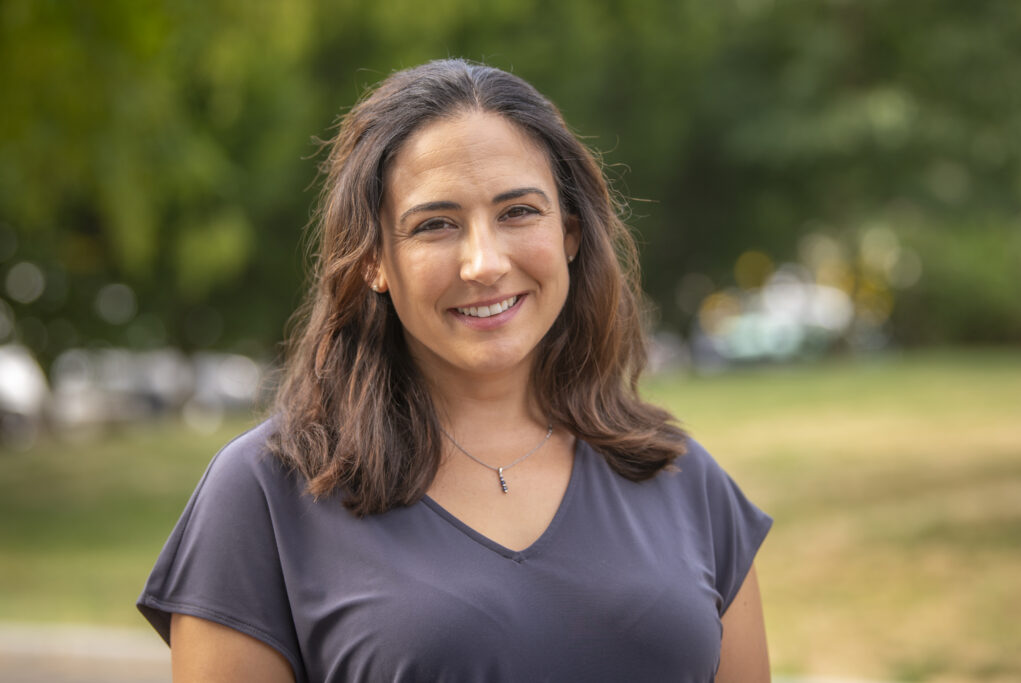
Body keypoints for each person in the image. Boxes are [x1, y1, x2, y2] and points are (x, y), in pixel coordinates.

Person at [138, 59, 772, 682]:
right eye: (435, 225)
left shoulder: (680, 477)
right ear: (373, 261)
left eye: (518, 212)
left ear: (571, 234)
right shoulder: (265, 495)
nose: (484, 263)